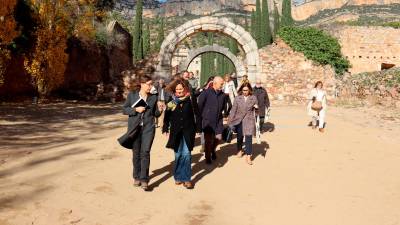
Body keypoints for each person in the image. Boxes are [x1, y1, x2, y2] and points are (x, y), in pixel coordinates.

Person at [122, 74, 163, 191]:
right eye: (148, 84)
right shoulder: (132, 95)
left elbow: (155, 114)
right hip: (135, 128)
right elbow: (124, 109)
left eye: (151, 84)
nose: (150, 87)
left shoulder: (153, 97)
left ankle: (144, 179)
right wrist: (135, 109)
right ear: (142, 84)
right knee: (136, 154)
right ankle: (136, 177)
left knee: (145, 152)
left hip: (148, 129)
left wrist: (160, 110)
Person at [162, 78, 199, 189]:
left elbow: (197, 114)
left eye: (181, 89)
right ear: (174, 90)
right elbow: (167, 117)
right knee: (178, 155)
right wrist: (165, 128)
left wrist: (198, 129)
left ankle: (187, 179)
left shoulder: (191, 99)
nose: (179, 91)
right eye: (177, 89)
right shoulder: (172, 101)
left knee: (187, 154)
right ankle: (178, 176)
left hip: (189, 131)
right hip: (176, 132)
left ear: (185, 89)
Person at [198, 76, 227, 164]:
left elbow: (223, 107)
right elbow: (200, 106)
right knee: (208, 140)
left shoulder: (222, 95)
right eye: (221, 84)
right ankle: (207, 157)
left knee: (218, 138)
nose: (222, 85)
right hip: (208, 121)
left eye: (223, 84)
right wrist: (204, 116)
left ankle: (212, 150)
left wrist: (224, 114)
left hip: (218, 120)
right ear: (215, 83)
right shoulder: (206, 93)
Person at [228, 82, 258, 165]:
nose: (245, 92)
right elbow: (233, 110)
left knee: (248, 138)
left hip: (249, 120)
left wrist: (256, 108)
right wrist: (230, 121)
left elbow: (257, 112)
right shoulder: (237, 98)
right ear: (241, 90)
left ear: (250, 90)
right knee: (240, 136)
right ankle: (239, 150)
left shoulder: (253, 98)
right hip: (239, 120)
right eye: (243, 90)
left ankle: (248, 156)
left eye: (246, 90)